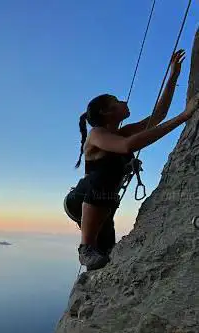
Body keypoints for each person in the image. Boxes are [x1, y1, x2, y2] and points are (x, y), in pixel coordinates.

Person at [64, 49, 199, 271]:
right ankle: (85, 247)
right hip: (82, 200)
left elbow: (157, 117)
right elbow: (128, 146)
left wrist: (173, 76)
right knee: (104, 175)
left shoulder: (122, 132)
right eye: (117, 101)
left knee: (103, 260)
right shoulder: (96, 134)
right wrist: (184, 116)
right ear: (105, 112)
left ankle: (92, 285)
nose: (124, 101)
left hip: (103, 204)